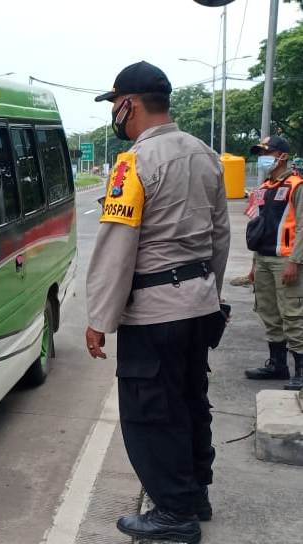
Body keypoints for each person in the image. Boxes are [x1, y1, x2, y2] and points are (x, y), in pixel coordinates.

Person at [86, 61, 230, 543]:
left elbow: (116, 245)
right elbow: (221, 237)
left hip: (154, 312)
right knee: (191, 400)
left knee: (152, 412)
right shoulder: (204, 153)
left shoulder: (133, 163)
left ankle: (174, 513)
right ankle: (195, 493)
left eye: (115, 104)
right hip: (198, 303)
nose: (116, 115)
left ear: (129, 103)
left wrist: (99, 318)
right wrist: (212, 292)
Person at [243, 136, 303, 391]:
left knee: (292, 314)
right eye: (260, 153)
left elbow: (302, 226)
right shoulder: (265, 187)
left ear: (283, 156)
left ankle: (300, 371)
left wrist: (295, 261)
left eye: (267, 153)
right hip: (264, 259)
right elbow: (258, 227)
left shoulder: (296, 185)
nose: (263, 158)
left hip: (286, 261)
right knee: (268, 312)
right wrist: (254, 264)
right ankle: (278, 365)